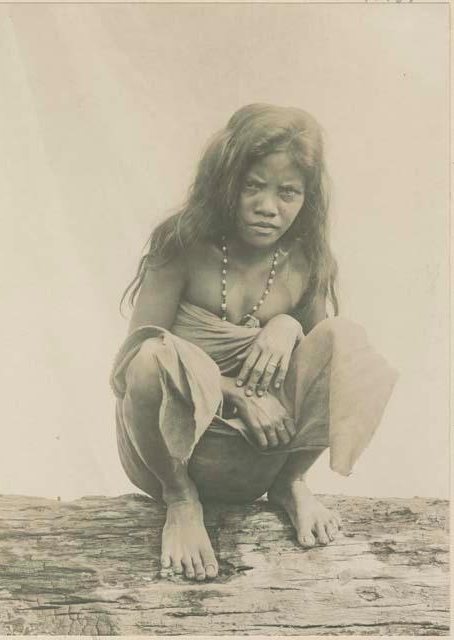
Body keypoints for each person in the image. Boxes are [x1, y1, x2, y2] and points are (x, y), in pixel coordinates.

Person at [110, 104, 398, 582]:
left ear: (306, 198)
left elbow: (318, 363)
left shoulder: (306, 260)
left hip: (261, 456)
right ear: (227, 182)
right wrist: (237, 393)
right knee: (148, 357)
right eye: (253, 186)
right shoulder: (182, 243)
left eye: (288, 192)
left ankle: (291, 483)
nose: (269, 206)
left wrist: (286, 325)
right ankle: (182, 504)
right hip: (172, 453)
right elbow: (130, 362)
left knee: (349, 342)